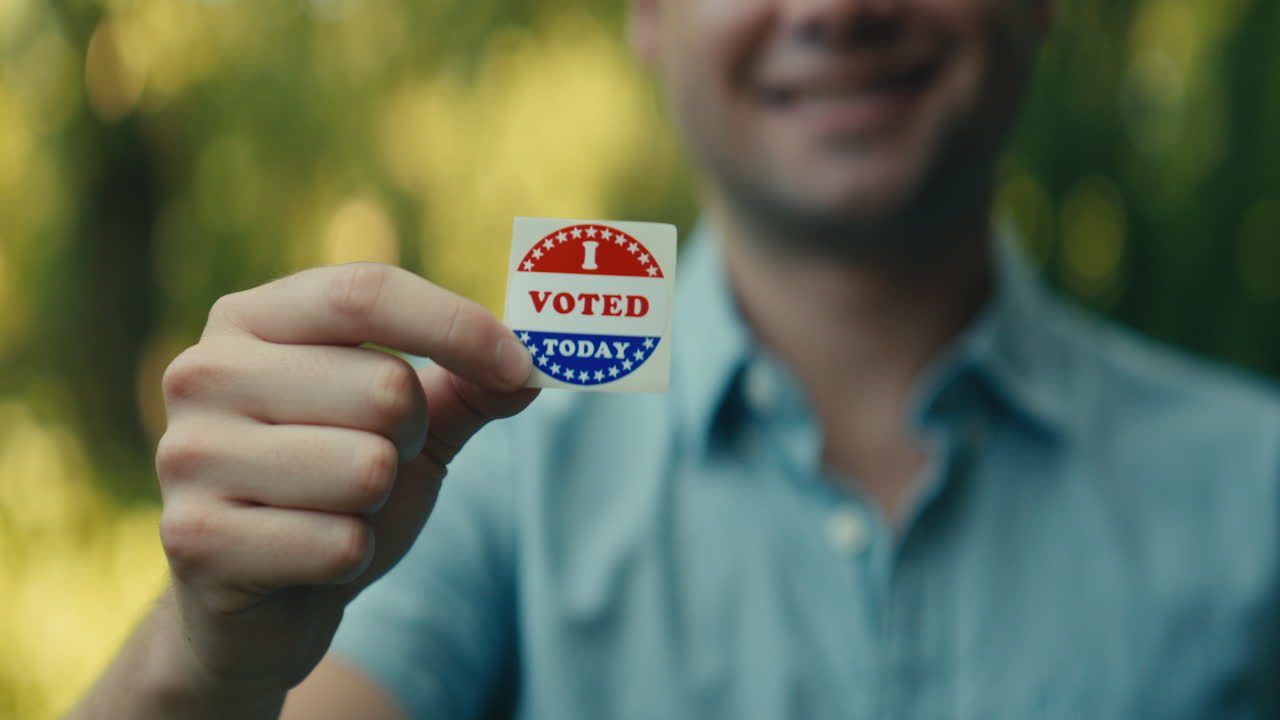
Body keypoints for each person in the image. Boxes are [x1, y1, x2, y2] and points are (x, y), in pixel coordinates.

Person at [71, 0, 1279, 718]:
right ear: (647, 12)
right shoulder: (467, 484)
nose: (834, 6)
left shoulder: (1255, 492)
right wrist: (195, 665)